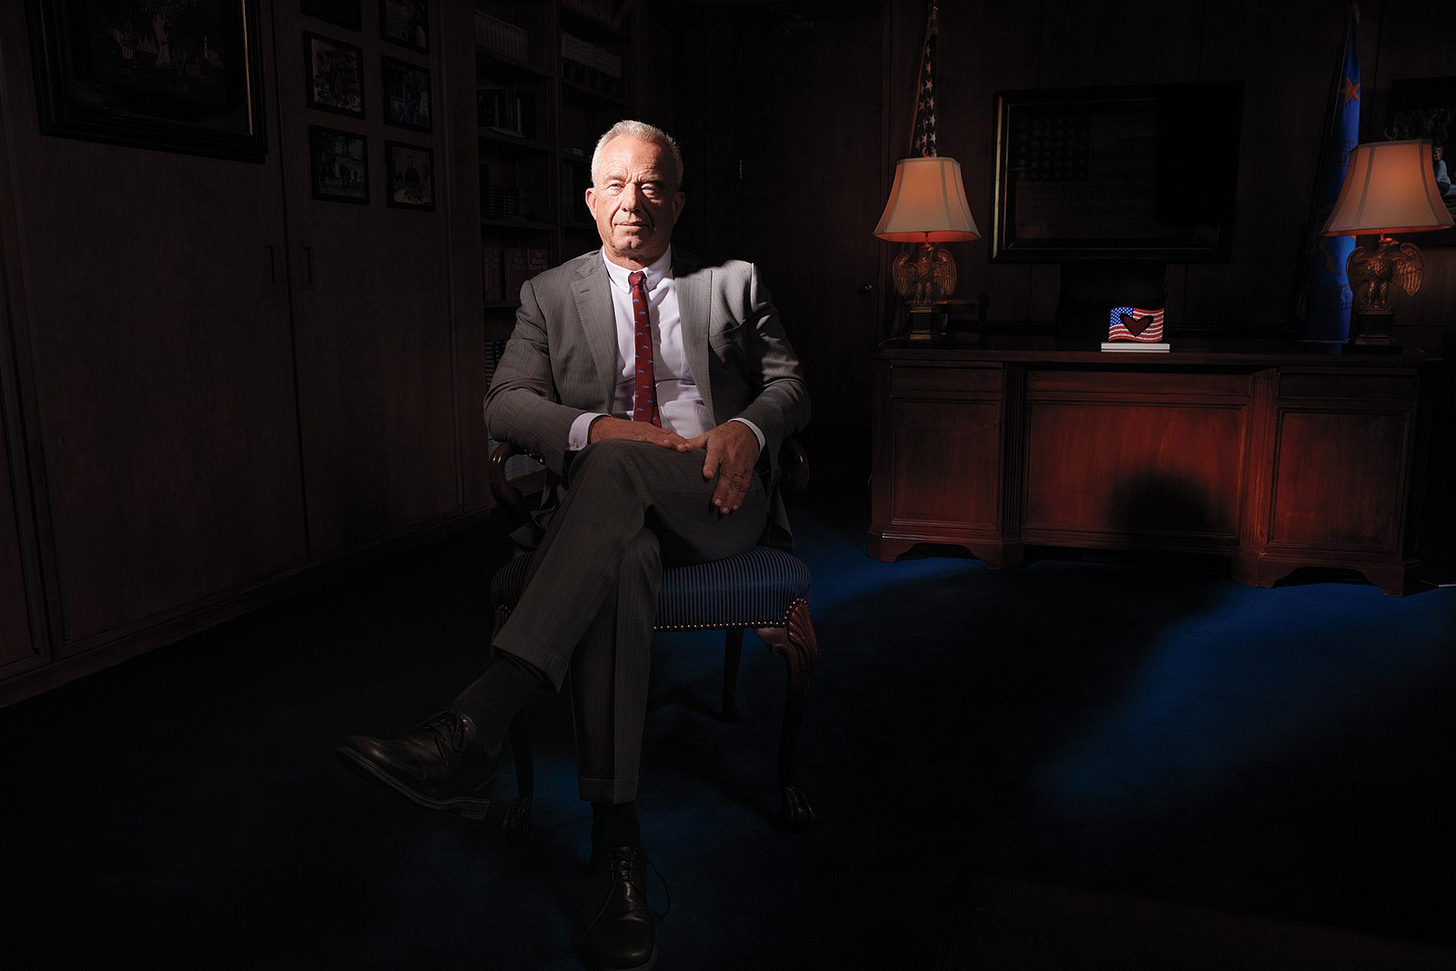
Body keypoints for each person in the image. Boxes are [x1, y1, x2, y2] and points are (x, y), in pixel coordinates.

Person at [338, 120, 810, 971]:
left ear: (679, 198)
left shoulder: (732, 283)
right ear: (591, 202)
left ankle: (476, 723)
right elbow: (504, 404)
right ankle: (617, 849)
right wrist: (600, 427)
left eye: (655, 183)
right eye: (618, 185)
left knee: (623, 474)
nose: (636, 201)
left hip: (714, 495)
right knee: (621, 535)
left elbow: (791, 385)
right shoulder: (548, 292)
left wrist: (747, 426)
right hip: (611, 511)